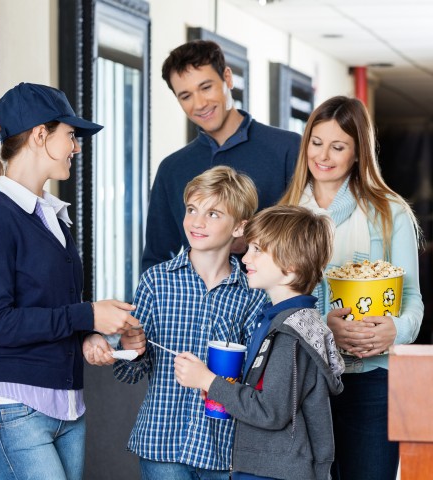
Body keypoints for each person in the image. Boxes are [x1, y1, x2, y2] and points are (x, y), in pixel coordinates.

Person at [0, 82, 141, 480]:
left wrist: (88, 335)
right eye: (71, 135)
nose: (76, 147)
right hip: (15, 407)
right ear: (41, 135)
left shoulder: (52, 216)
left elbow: (50, 309)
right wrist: (87, 314)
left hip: (67, 408)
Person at [278, 95, 424, 480]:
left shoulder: (389, 211)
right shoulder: (287, 215)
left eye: (338, 146)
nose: (323, 155)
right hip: (302, 380)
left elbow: (412, 302)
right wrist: (325, 326)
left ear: (358, 153)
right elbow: (271, 299)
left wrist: (397, 330)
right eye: (316, 142)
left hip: (372, 380)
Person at [108, 166, 267, 479]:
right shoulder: (156, 282)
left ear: (239, 227)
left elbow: (256, 378)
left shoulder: (254, 293)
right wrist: (129, 348)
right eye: (192, 210)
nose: (197, 221)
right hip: (162, 445)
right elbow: (129, 372)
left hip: (225, 448)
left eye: (213, 214)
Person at [174, 205, 345, 480]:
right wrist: (223, 391)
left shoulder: (289, 333)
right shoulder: (275, 320)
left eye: (257, 250)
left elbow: (270, 411)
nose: (245, 259)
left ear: (290, 268)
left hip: (274, 471)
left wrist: (208, 381)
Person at [142, 39, 301, 272]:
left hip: (275, 301)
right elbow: (156, 257)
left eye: (206, 87)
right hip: (197, 303)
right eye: (186, 96)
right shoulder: (172, 168)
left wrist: (252, 237)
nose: (200, 103)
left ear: (227, 78)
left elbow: (309, 234)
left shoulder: (287, 148)